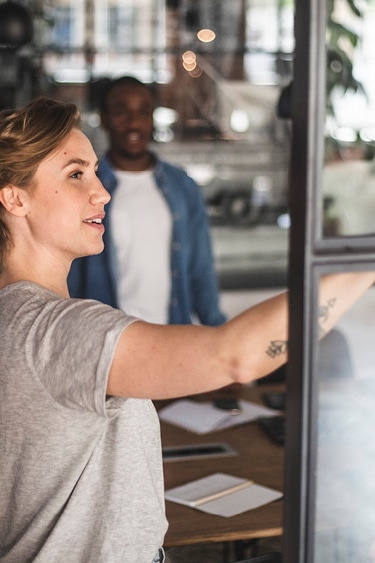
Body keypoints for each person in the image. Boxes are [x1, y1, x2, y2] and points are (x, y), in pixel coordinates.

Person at [0, 97, 374, 563]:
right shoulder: (56, 331)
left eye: (94, 172)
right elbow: (235, 355)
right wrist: (364, 262)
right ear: (15, 197)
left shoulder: (16, 318)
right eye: (76, 175)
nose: (102, 192)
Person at [68, 75, 226, 326]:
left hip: (172, 334)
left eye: (144, 112)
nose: (134, 123)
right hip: (106, 340)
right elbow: (71, 271)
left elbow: (201, 269)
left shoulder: (183, 186)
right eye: (121, 112)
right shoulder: (86, 187)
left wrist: (218, 332)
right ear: (104, 119)